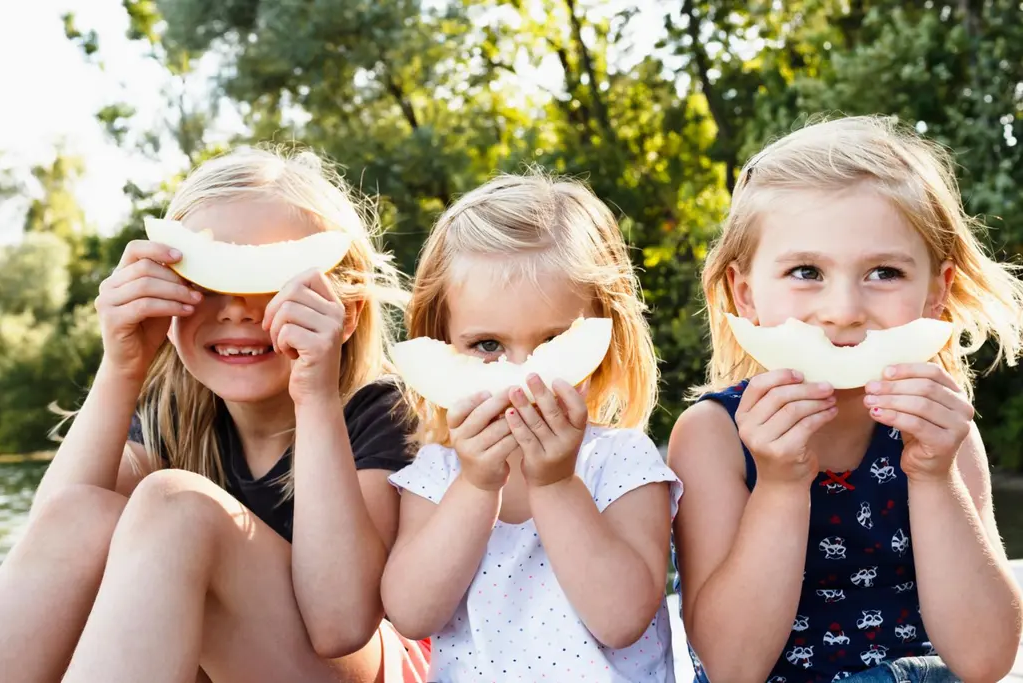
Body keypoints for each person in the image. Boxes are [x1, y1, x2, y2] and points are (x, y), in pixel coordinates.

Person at [0, 146, 430, 683]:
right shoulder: (175, 416)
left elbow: (342, 625)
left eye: (272, 282)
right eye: (207, 282)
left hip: (355, 669)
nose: (236, 309)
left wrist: (315, 396)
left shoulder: (381, 410)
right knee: (90, 512)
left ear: (344, 314)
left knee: (177, 505)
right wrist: (122, 368)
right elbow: (57, 545)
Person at [668, 115, 1023, 683]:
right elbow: (731, 667)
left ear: (936, 293)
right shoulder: (713, 436)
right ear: (746, 294)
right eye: (805, 271)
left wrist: (934, 477)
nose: (843, 310)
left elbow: (985, 661)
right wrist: (781, 483)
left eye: (883, 272)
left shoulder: (942, 431)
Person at [379, 172, 683, 682]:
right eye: (488, 346)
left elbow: (622, 619)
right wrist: (477, 483)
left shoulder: (623, 462)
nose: (524, 377)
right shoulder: (436, 475)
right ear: (442, 341)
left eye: (552, 344)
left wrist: (556, 483)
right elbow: (412, 614)